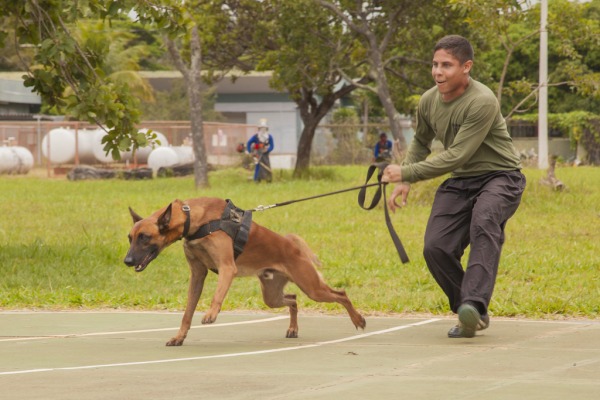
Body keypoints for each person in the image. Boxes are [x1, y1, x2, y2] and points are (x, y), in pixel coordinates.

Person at [381, 35, 526, 338]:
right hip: (460, 182)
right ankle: (469, 311)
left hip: (501, 177)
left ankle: (473, 303)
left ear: (466, 67)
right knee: (436, 247)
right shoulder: (428, 101)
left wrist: (406, 170)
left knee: (484, 221)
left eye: (446, 65)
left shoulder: (482, 101)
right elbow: (421, 141)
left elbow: (457, 154)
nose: (438, 72)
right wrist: (405, 181)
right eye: (435, 64)